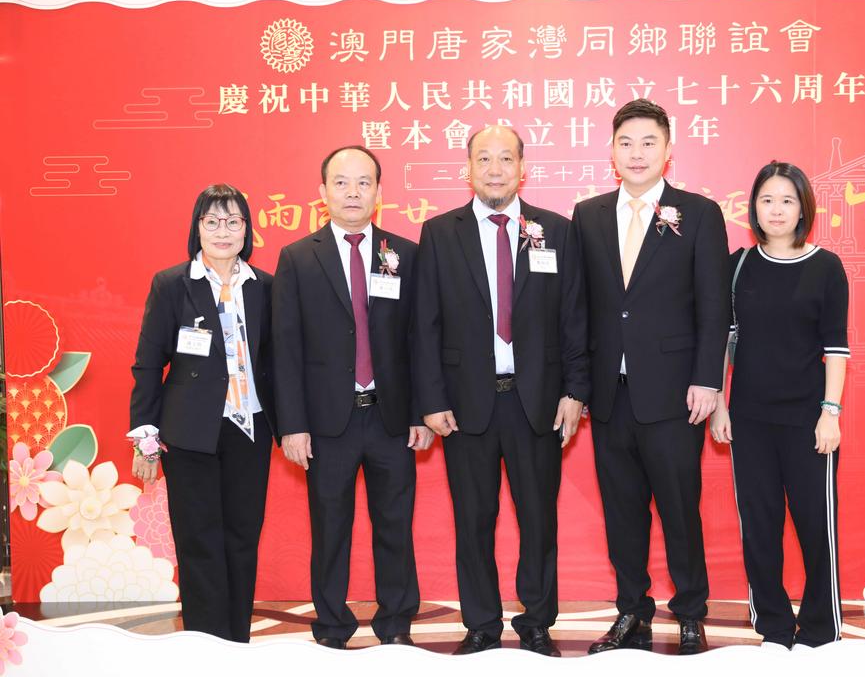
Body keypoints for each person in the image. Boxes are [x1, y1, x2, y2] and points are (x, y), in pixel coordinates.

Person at [412, 125, 589, 657]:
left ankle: (537, 622)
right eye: (484, 159)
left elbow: (574, 318)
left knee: (539, 519)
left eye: (505, 158)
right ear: (467, 168)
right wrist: (432, 400)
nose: (495, 169)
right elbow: (425, 325)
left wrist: (575, 390)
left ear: (522, 168)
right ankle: (482, 624)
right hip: (465, 405)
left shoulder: (555, 231)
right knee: (473, 521)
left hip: (538, 402)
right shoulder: (440, 233)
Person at [571, 99, 730, 655]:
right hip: (609, 395)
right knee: (622, 515)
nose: (636, 154)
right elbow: (578, 307)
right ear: (611, 152)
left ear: (668, 150)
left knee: (680, 510)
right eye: (626, 143)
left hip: (674, 393)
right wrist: (578, 386)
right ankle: (631, 613)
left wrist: (708, 379)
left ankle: (690, 612)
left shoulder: (699, 213)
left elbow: (714, 305)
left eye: (648, 143)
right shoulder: (588, 215)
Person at [272, 146, 433, 649]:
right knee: (330, 530)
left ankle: (396, 626)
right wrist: (292, 424)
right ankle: (331, 628)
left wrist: (421, 412)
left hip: (391, 418)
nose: (353, 193)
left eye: (364, 183)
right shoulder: (298, 258)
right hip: (326, 424)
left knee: (395, 528)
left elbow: (419, 340)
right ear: (322, 192)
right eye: (341, 183)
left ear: (379, 192)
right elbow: (285, 348)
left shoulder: (403, 254)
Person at [710, 161, 848, 651]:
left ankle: (819, 629)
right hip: (749, 418)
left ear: (803, 208)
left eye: (787, 200)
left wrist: (830, 412)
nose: (776, 210)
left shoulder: (826, 266)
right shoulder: (739, 266)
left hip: (808, 420)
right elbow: (725, 340)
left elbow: (836, 348)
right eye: (767, 200)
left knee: (815, 525)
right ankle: (772, 625)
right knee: (760, 525)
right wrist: (720, 404)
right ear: (754, 207)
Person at [129, 183, 276, 642]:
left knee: (242, 539)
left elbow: (279, 363)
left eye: (233, 221)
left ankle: (236, 643)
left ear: (247, 229)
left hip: (250, 428)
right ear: (197, 228)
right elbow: (148, 365)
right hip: (190, 434)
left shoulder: (266, 286)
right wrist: (146, 442)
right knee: (199, 542)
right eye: (212, 222)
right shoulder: (173, 284)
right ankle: (205, 648)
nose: (222, 231)